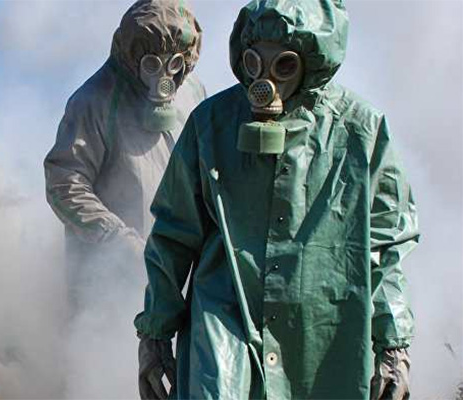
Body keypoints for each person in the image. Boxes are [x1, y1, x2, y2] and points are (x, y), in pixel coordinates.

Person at [134, 0, 419, 399]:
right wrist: (155, 332)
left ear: (312, 63)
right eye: (255, 63)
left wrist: (393, 346)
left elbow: (387, 245)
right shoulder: (212, 123)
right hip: (225, 322)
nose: (265, 80)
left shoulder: (361, 131)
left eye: (284, 65)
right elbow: (173, 234)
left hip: (322, 334)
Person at [44, 0, 206, 310]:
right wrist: (116, 240)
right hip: (107, 278)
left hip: (179, 267)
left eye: (174, 64)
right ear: (132, 56)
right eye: (151, 64)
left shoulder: (192, 91)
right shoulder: (94, 101)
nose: (163, 77)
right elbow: (64, 184)